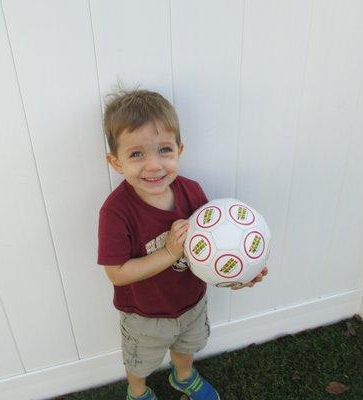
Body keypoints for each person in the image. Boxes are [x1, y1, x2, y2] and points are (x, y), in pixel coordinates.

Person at [97, 88, 267, 400]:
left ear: (180, 149)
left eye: (164, 150)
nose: (153, 165)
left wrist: (241, 272)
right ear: (116, 162)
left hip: (191, 303)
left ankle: (184, 376)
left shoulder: (192, 193)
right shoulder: (116, 211)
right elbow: (117, 273)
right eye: (136, 154)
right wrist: (170, 252)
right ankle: (137, 392)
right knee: (140, 361)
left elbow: (212, 254)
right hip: (144, 316)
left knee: (187, 347)